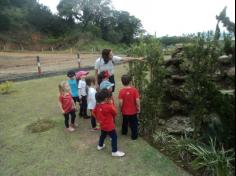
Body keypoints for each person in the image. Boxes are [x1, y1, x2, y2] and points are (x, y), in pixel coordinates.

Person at [93, 89, 125, 157]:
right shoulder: (109, 106)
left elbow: (94, 112)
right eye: (109, 97)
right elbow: (115, 113)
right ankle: (114, 151)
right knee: (114, 137)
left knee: (103, 135)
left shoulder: (97, 105)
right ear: (106, 99)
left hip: (102, 124)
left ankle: (100, 145)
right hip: (110, 126)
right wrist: (111, 104)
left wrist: (98, 119)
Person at [118, 74, 140, 140]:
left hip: (125, 111)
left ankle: (124, 132)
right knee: (134, 124)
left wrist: (120, 108)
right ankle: (134, 136)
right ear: (130, 81)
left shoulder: (121, 91)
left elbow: (120, 102)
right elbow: (137, 100)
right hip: (133, 111)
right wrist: (138, 107)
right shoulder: (134, 90)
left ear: (122, 82)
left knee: (125, 122)